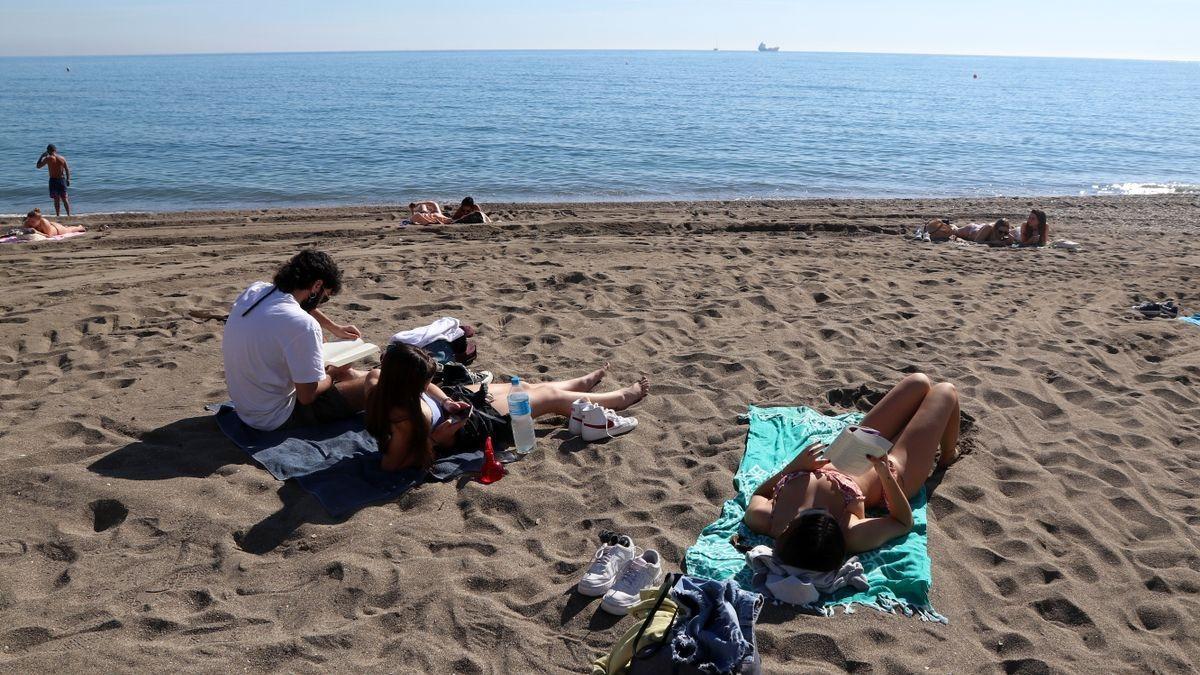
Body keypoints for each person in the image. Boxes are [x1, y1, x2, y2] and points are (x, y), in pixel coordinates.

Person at [743, 373, 961, 571]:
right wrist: (884, 473)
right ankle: (948, 455)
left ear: (789, 530)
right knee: (945, 391)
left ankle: (909, 431)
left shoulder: (767, 520)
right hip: (891, 473)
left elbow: (760, 494)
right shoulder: (850, 535)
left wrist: (794, 468)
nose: (815, 509)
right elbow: (903, 522)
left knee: (918, 382)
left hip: (851, 450)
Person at [366, 343, 649, 471]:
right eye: (424, 381)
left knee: (523, 386)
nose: (429, 383)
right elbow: (391, 465)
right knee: (548, 398)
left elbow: (425, 386)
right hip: (468, 429)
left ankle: (580, 383)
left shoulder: (382, 382)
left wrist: (446, 400)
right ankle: (620, 398)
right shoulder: (403, 419)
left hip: (455, 404)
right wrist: (434, 440)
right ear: (407, 384)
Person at [222, 249, 379, 431]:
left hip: (247, 407)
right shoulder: (303, 325)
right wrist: (333, 372)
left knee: (346, 373)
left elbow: (301, 305)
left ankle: (352, 375)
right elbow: (307, 396)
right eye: (325, 297)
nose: (320, 303)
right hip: (276, 417)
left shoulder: (256, 291)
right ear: (317, 285)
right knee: (381, 383)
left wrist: (333, 327)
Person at [35, 144, 71, 217]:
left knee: (56, 199)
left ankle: (58, 215)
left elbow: (38, 166)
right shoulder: (62, 158)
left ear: (48, 151)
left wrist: (42, 156)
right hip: (62, 180)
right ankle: (68, 215)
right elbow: (67, 169)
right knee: (65, 199)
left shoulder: (48, 158)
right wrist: (68, 179)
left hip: (53, 180)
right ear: (55, 150)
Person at [923, 218, 1014, 246]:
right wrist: (993, 242)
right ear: (995, 229)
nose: (1002, 235)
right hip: (970, 231)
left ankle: (948, 224)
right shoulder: (989, 228)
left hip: (977, 228)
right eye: (1000, 232)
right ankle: (937, 224)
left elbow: (1012, 240)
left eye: (1005, 233)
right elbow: (977, 242)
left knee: (954, 229)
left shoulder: (1004, 234)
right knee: (952, 231)